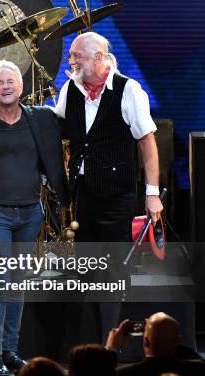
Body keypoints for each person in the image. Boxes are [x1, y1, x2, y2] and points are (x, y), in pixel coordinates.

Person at [52, 31, 163, 339]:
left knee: (113, 270)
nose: (71, 61)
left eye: (77, 56)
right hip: (84, 193)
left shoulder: (128, 90)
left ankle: (110, 342)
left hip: (116, 194)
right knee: (88, 267)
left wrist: (152, 194)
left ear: (99, 58)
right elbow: (57, 125)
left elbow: (147, 142)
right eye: (71, 56)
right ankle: (90, 340)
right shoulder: (70, 90)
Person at [0, 60, 69, 375]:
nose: (6, 87)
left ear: (21, 86)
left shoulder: (42, 118)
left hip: (30, 212)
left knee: (18, 282)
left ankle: (11, 351)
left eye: (11, 81)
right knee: (0, 281)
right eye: (0, 83)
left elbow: (78, 123)